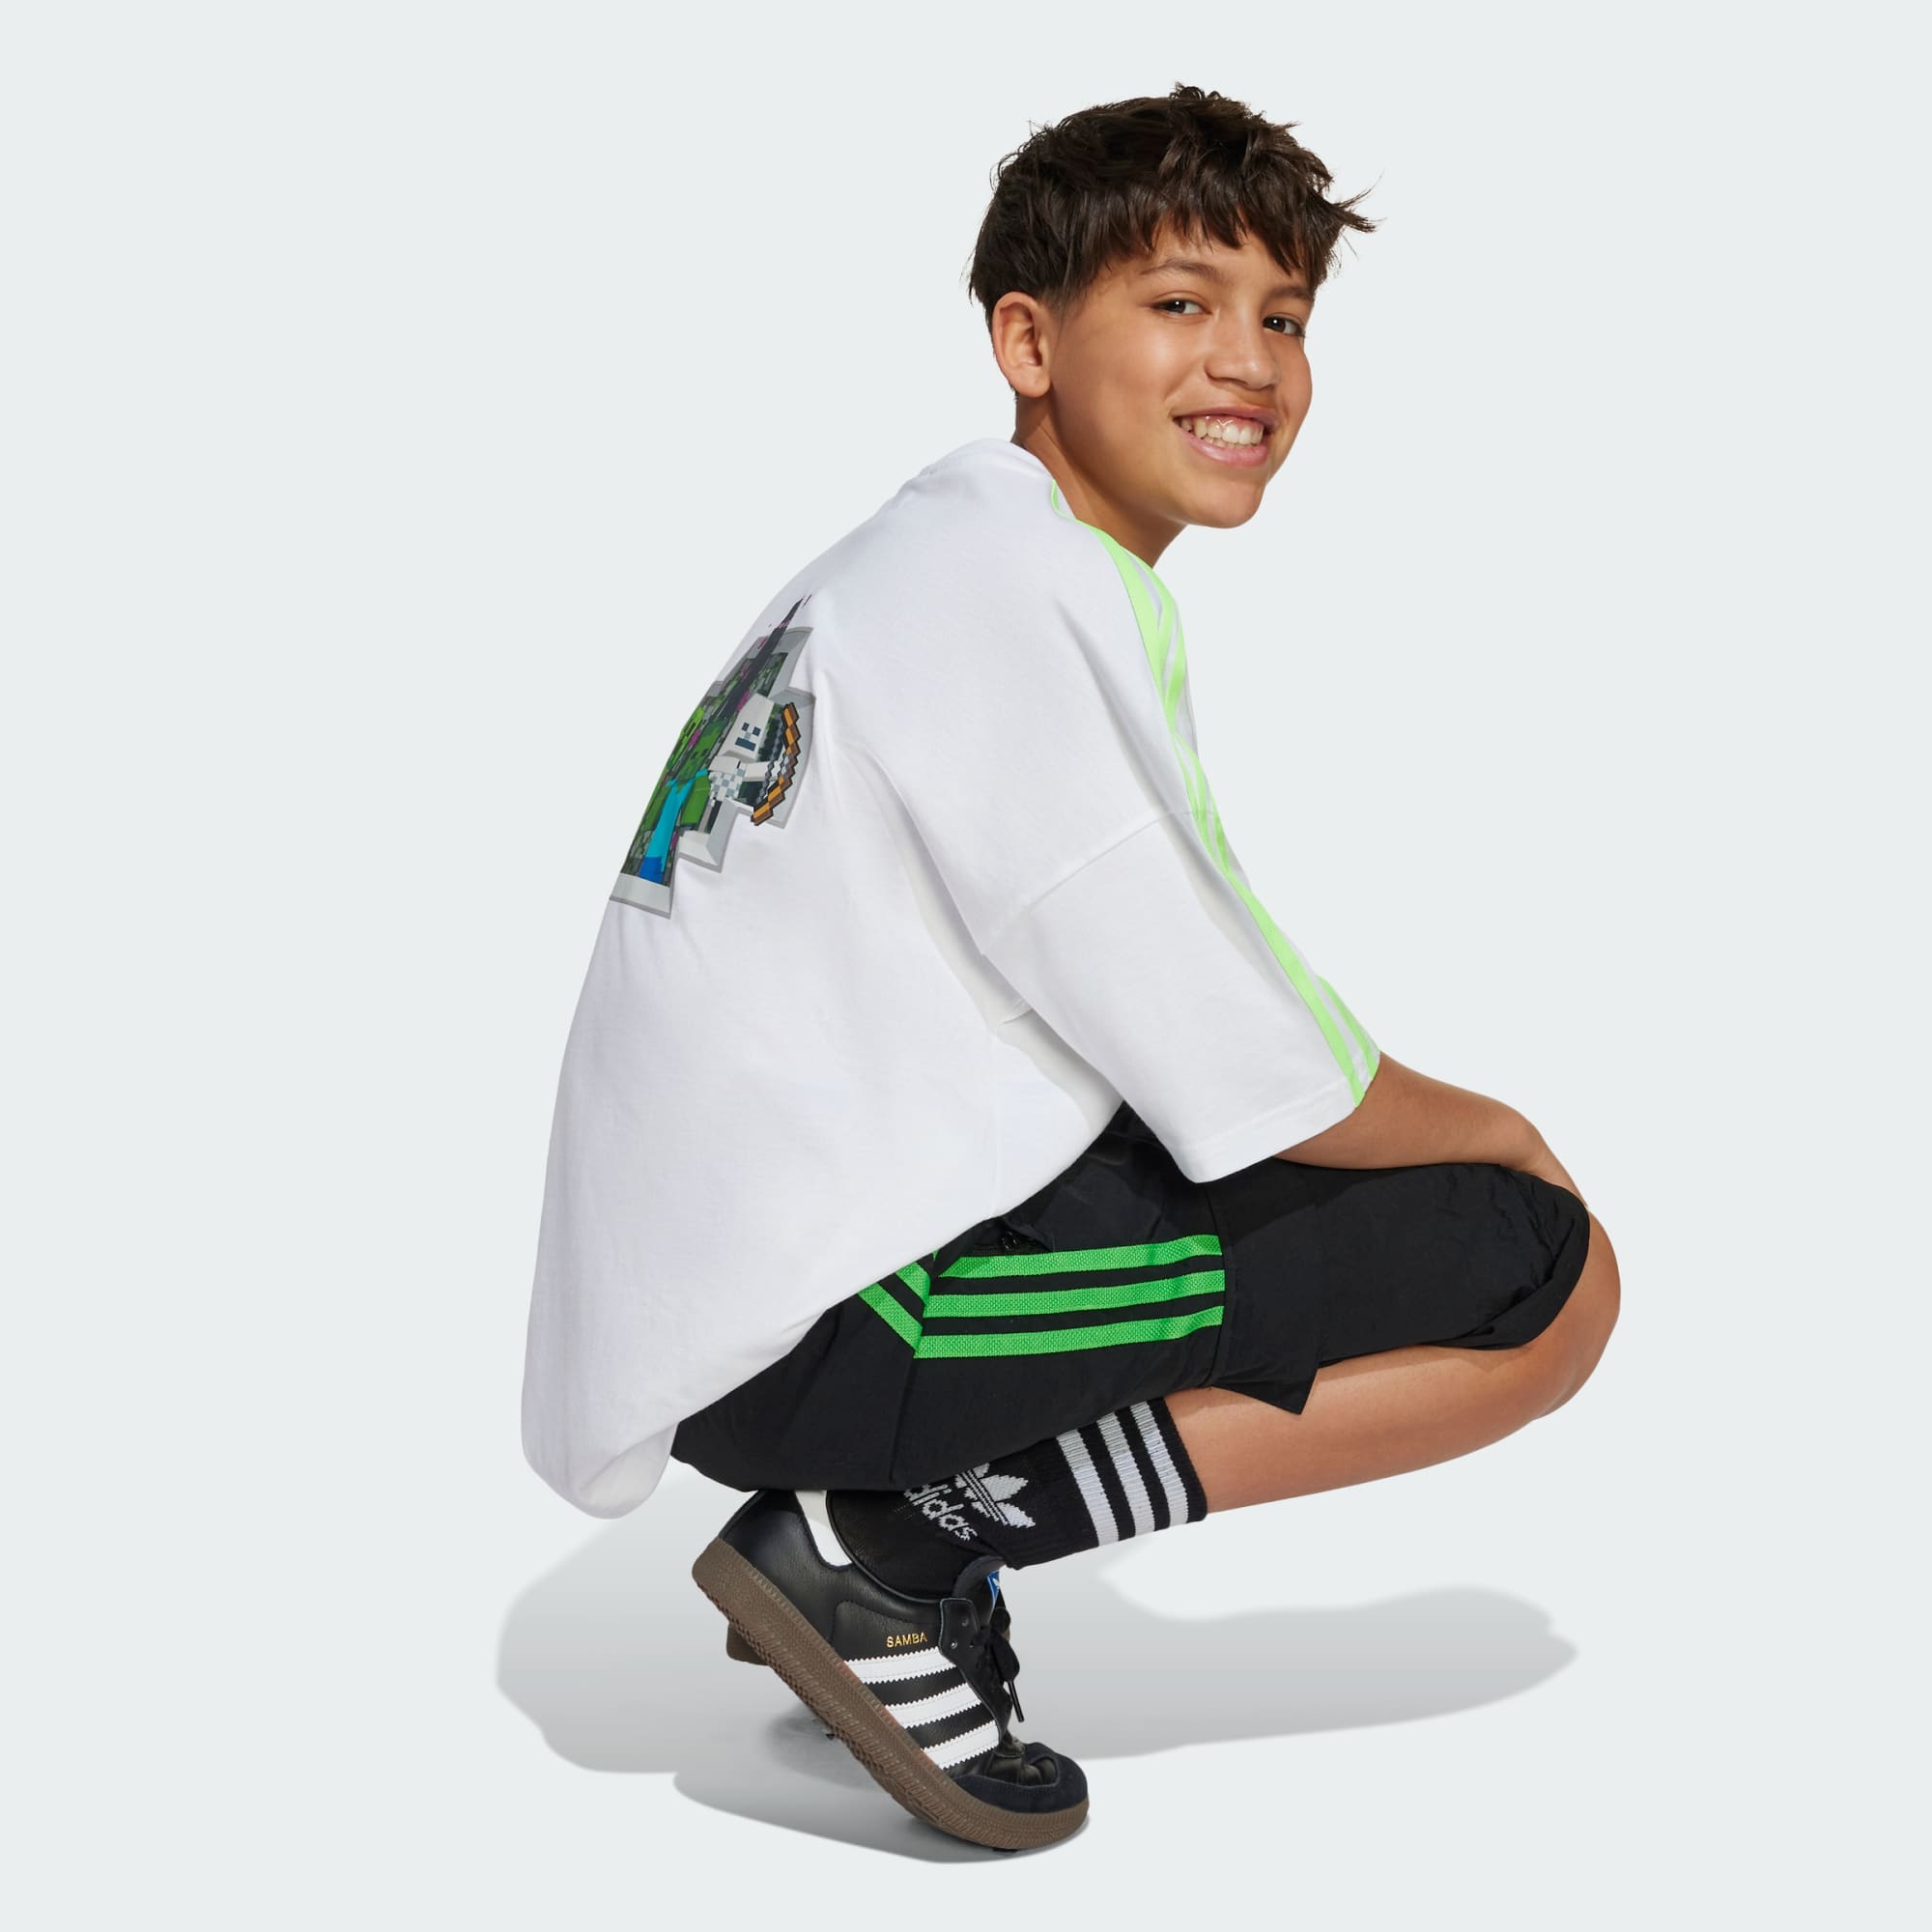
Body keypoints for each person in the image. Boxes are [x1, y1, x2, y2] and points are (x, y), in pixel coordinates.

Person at [520, 82, 1620, 1854]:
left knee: (1376, 1210)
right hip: (819, 1311)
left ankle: (885, 1518)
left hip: (741, 1280)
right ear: (1028, 341)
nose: (1248, 362)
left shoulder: (943, 553)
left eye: (1284, 317)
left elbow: (1169, 1000)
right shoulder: (1010, 589)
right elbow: (1243, 1057)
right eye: (1181, 302)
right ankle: (885, 1545)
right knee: (1541, 1274)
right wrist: (1506, 1135)